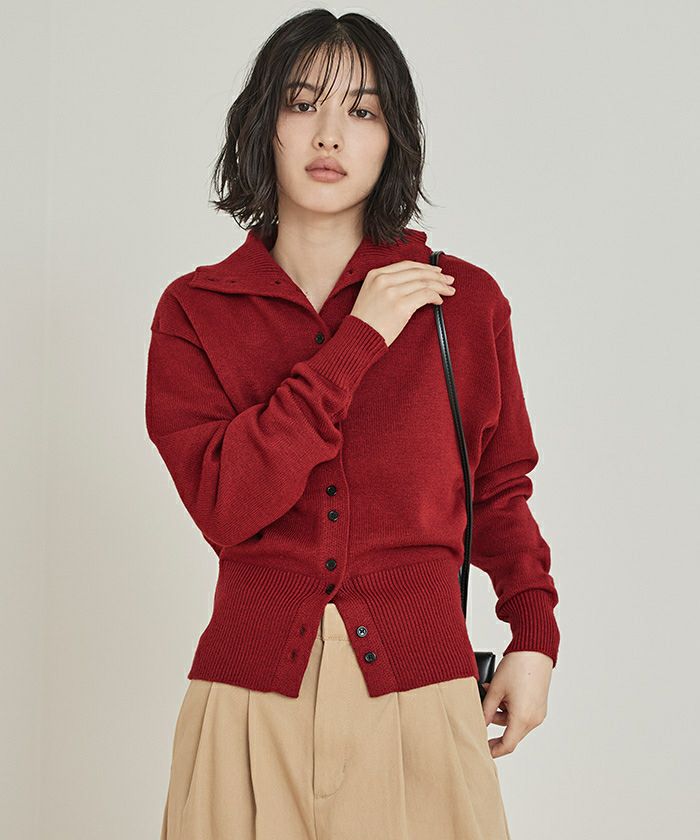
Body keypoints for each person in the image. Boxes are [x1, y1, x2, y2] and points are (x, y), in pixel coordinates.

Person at [146, 8, 560, 840]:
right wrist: (359, 341)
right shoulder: (196, 311)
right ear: (263, 125)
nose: (329, 134)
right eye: (302, 104)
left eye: (362, 110)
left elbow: (498, 488)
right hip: (246, 710)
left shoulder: (461, 303)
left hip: (424, 702)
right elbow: (227, 504)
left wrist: (533, 634)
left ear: (393, 136)